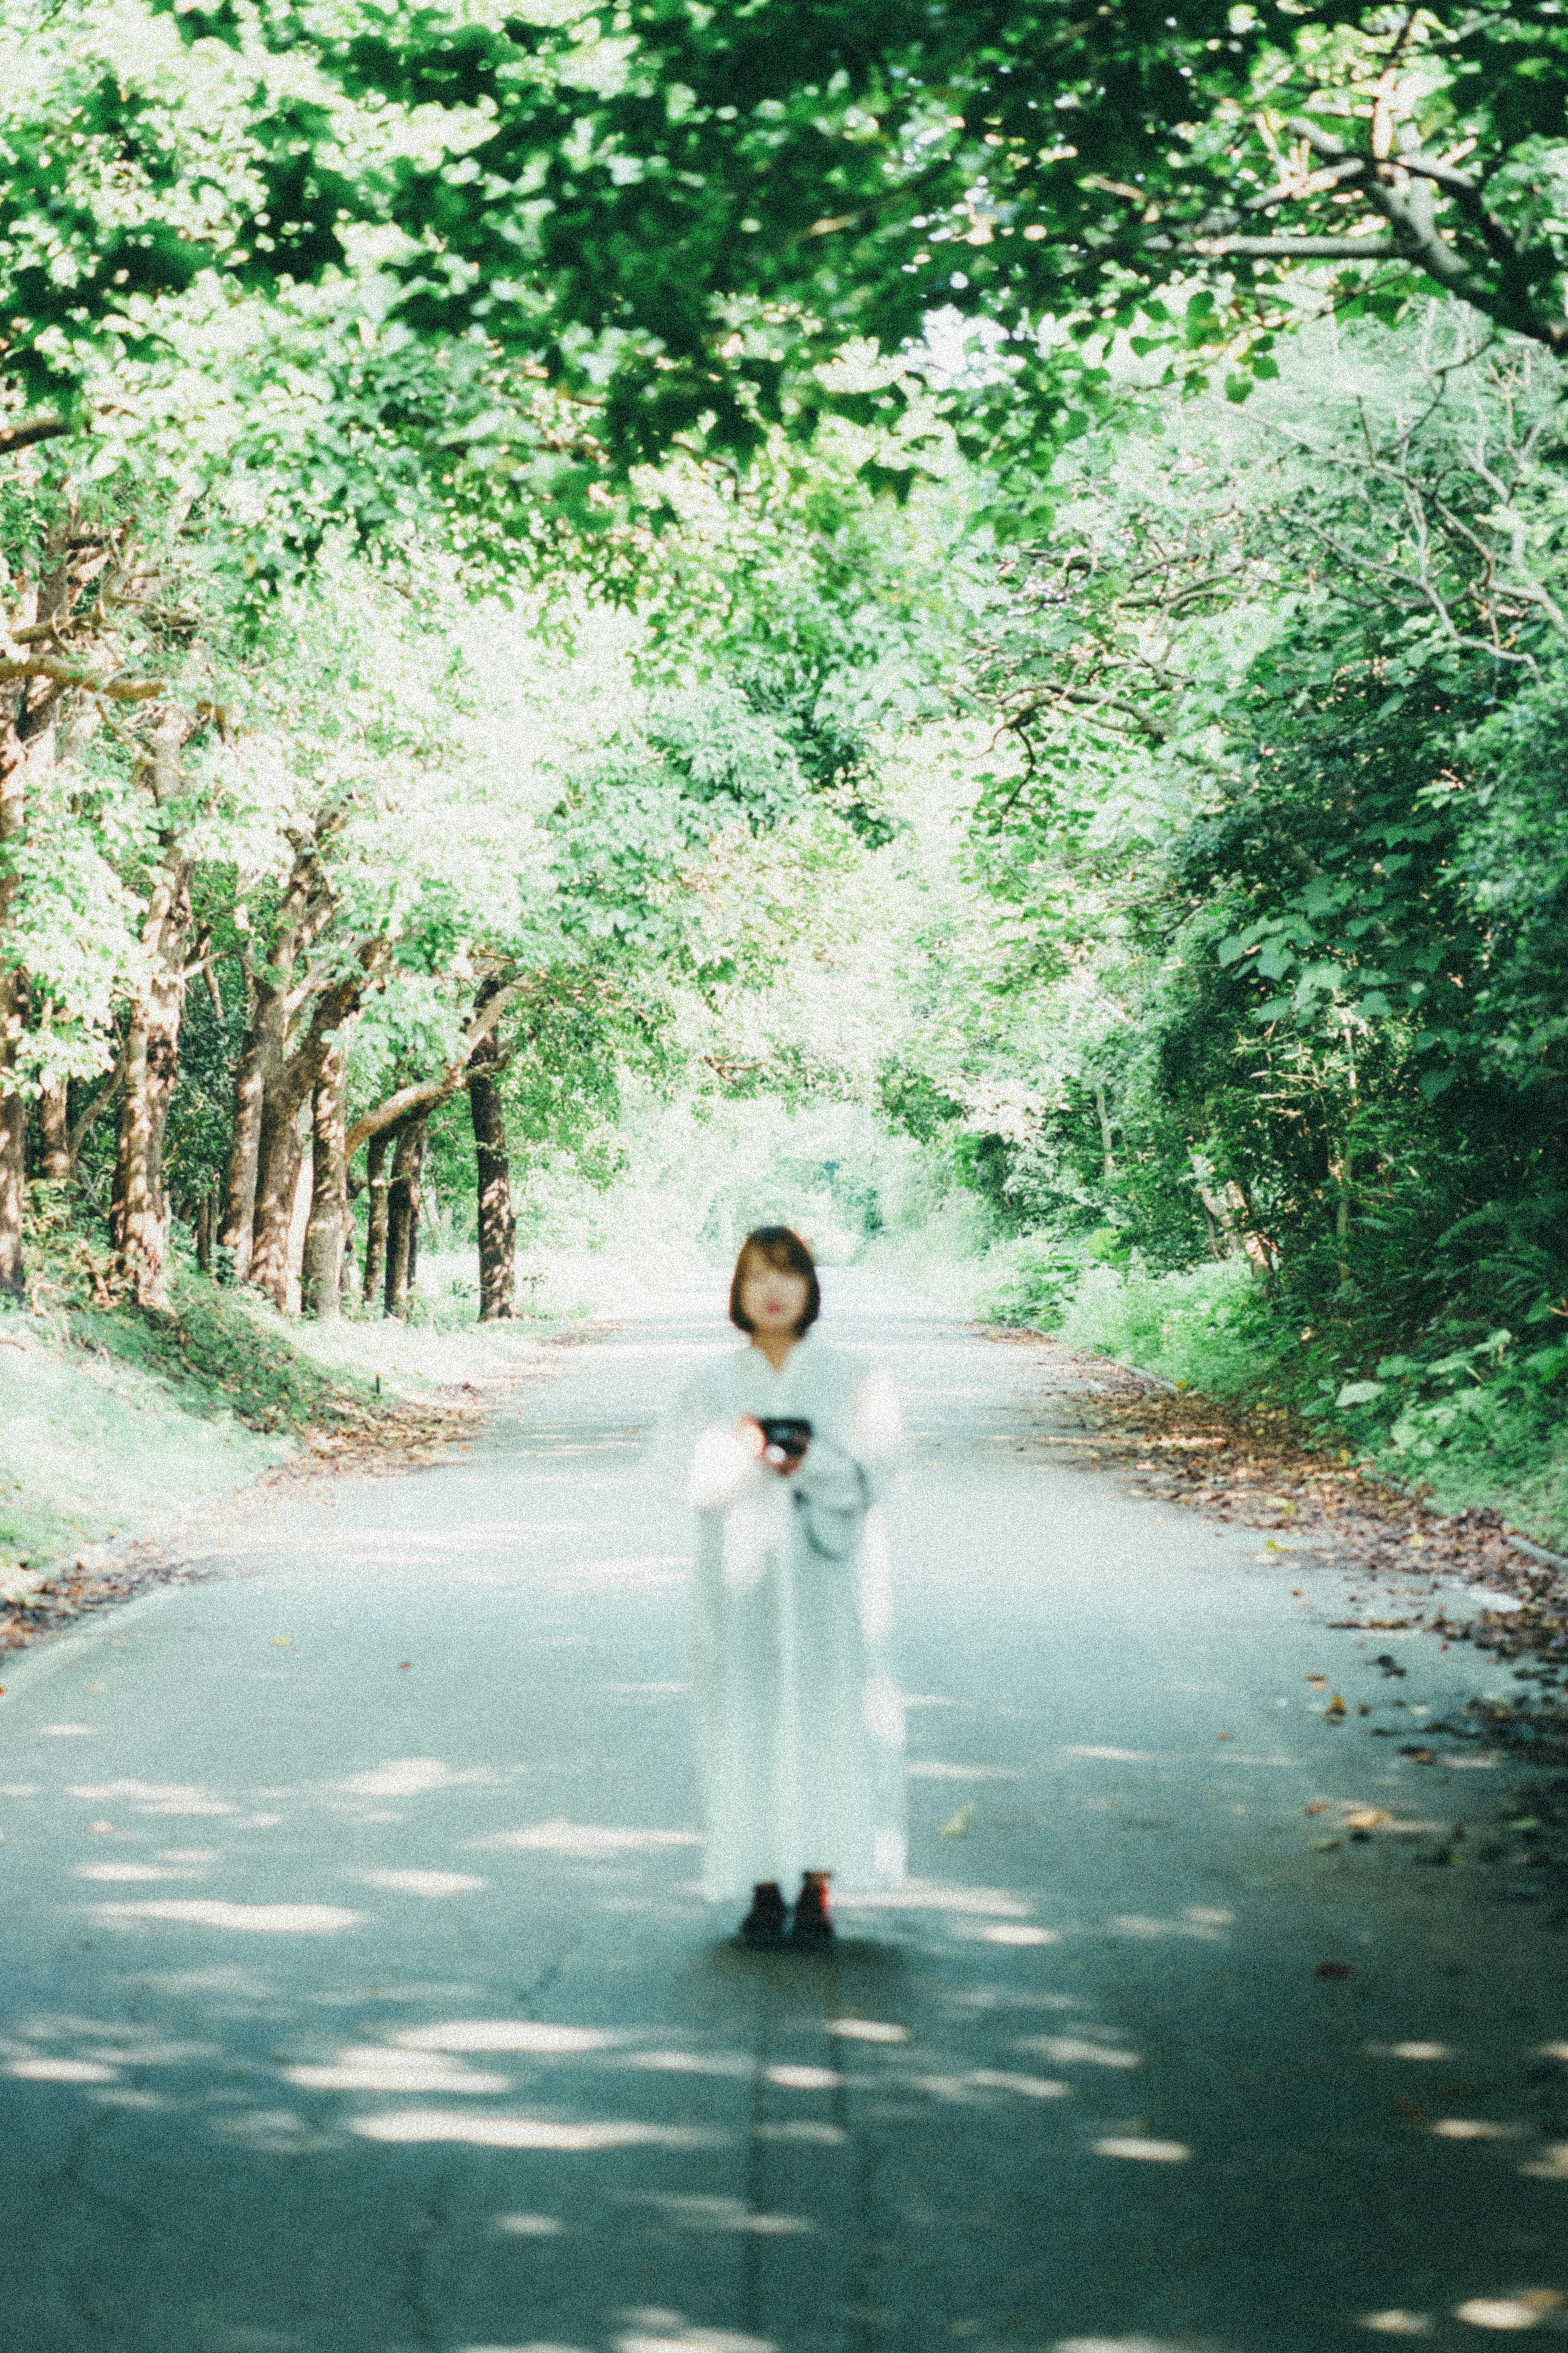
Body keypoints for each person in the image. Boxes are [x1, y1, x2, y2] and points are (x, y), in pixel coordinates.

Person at [668, 1225, 907, 1948]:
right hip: (738, 1582)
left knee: (830, 1713)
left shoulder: (856, 1377)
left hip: (830, 1578)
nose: (773, 1290)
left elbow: (876, 1477)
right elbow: (688, 1482)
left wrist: (803, 1459)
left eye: (788, 1274)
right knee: (744, 1718)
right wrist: (743, 1452)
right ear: (737, 1292)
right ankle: (762, 1885)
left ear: (810, 1286)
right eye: (757, 1276)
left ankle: (819, 1884)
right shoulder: (712, 1385)